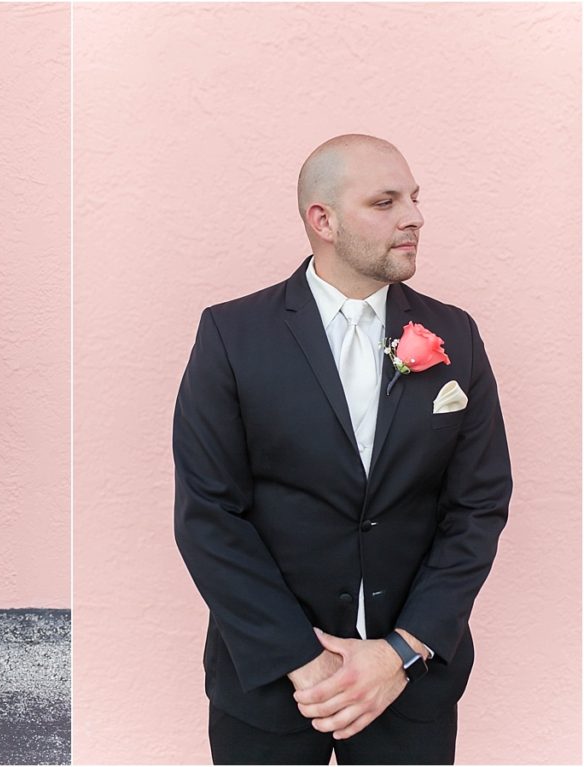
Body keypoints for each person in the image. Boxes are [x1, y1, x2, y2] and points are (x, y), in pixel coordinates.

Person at [173, 134, 511, 765]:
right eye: (385, 202)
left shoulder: (455, 336)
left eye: (413, 198)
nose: (413, 216)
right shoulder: (231, 334)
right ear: (321, 220)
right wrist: (301, 659)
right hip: (272, 683)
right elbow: (208, 514)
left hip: (411, 686)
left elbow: (479, 505)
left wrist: (402, 650)